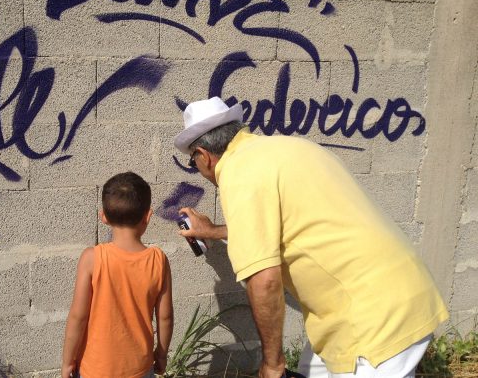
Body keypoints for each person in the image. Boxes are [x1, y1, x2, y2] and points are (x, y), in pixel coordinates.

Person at [173, 97, 449, 378]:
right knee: (310, 370)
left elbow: (264, 280)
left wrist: (272, 363)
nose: (197, 167)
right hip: (388, 294)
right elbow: (276, 226)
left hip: (373, 319)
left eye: (192, 161)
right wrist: (213, 231)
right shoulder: (289, 149)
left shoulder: (238, 173)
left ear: (203, 155)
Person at [61, 172, 173, 378]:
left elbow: (78, 316)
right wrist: (162, 353)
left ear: (103, 216)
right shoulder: (158, 260)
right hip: (140, 368)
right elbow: (165, 316)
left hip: (96, 369)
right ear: (147, 216)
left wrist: (68, 361)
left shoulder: (91, 258)